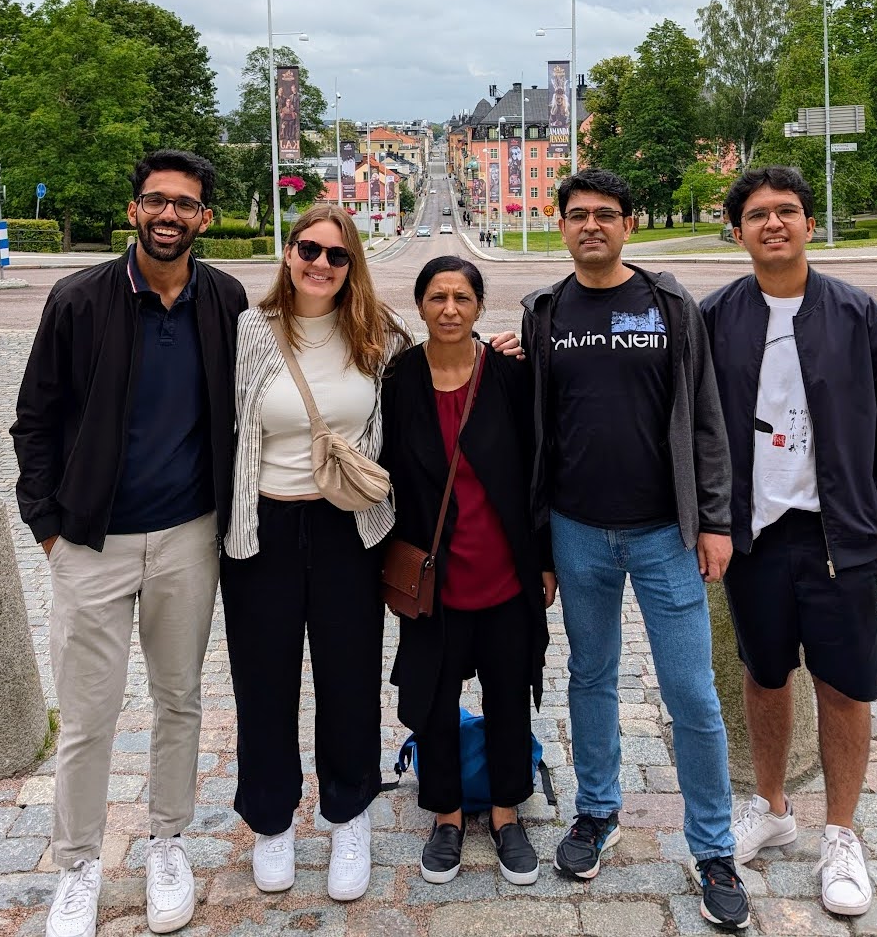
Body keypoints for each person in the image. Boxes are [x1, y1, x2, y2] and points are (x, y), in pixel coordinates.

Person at [11, 149, 248, 937]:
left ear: (205, 216)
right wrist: (48, 527)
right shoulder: (79, 299)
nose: (169, 215)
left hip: (188, 537)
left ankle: (168, 841)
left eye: (185, 203)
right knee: (87, 715)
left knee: (180, 698)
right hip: (91, 543)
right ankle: (78, 863)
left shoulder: (226, 298)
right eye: (156, 201)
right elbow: (34, 421)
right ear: (134, 209)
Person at [519, 167, 750, 932]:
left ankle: (713, 847)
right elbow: (536, 434)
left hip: (664, 532)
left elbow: (708, 419)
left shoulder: (670, 304)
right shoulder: (544, 312)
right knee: (591, 677)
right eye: (578, 215)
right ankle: (596, 813)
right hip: (577, 531)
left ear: (629, 224)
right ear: (562, 226)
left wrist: (713, 521)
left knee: (692, 693)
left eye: (606, 215)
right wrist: (541, 541)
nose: (592, 226)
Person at [700, 166, 877, 919]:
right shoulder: (716, 317)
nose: (773, 224)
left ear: (807, 222)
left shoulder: (857, 314)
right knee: (764, 676)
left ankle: (841, 832)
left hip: (841, 534)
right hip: (754, 535)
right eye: (757, 213)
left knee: (845, 686)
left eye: (787, 211)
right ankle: (769, 805)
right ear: (738, 231)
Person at [221, 205, 411, 904]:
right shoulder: (250, 331)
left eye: (337, 256)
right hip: (263, 529)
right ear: (289, 253)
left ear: (352, 266)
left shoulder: (377, 337)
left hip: (347, 531)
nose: (321, 265)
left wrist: (501, 350)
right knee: (264, 682)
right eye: (310, 249)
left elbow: (427, 390)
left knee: (349, 680)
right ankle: (272, 822)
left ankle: (348, 814)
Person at [381, 257, 555, 888]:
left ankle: (508, 814)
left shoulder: (509, 372)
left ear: (480, 307)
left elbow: (538, 470)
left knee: (510, 696)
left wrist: (545, 560)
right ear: (420, 306)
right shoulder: (398, 378)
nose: (449, 309)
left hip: (506, 571)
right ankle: (447, 816)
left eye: (461, 297)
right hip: (436, 580)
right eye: (436, 297)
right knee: (434, 702)